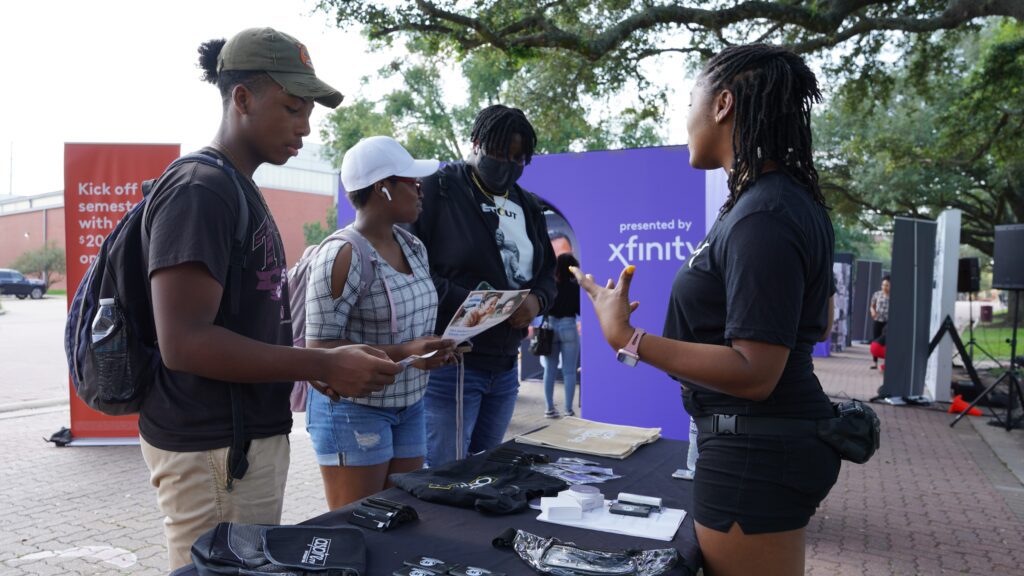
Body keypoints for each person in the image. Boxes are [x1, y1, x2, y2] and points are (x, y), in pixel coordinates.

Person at [572, 44, 838, 576]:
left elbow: (756, 372)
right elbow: (817, 322)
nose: (685, 116)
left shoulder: (764, 214)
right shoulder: (771, 202)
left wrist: (627, 338)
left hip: (754, 453)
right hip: (756, 444)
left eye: (690, 99)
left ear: (721, 104)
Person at [140, 29, 402, 570]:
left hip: (239, 445)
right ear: (242, 99)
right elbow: (184, 342)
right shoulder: (201, 189)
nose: (305, 127)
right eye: (291, 108)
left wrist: (318, 365)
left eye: (308, 111)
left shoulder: (236, 186)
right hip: (214, 451)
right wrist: (318, 362)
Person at [304, 136, 457, 509]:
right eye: (412, 182)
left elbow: (413, 333)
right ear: (382, 188)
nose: (422, 190)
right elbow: (317, 353)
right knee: (361, 526)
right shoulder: (342, 255)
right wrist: (407, 352)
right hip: (354, 412)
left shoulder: (414, 247)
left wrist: (432, 348)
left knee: (401, 520)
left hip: (411, 404)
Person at [411, 104, 556, 466]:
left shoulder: (528, 206)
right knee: (444, 477)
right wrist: (487, 306)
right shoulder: (438, 190)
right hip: (452, 365)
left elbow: (547, 273)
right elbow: (413, 270)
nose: (509, 165)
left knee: (487, 470)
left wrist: (536, 302)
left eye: (520, 158)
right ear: (475, 143)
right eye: (501, 154)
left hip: (504, 367)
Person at [543, 253, 581, 418]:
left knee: (549, 370)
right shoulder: (575, 286)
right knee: (570, 372)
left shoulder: (551, 284)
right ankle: (568, 410)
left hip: (550, 327)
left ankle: (549, 409)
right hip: (569, 326)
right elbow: (580, 310)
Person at [869, 276, 890, 369]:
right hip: (878, 320)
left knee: (887, 342)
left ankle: (886, 363)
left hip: (888, 322)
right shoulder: (877, 294)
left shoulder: (893, 295)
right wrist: (872, 311)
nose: (884, 287)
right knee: (875, 339)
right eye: (883, 285)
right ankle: (875, 362)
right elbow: (872, 306)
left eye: (887, 285)